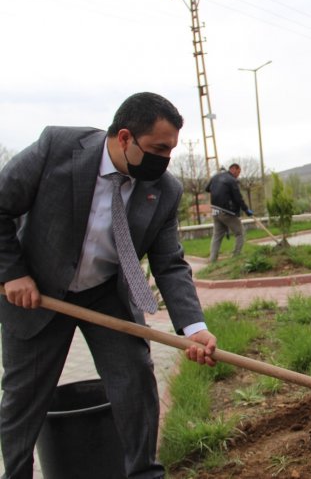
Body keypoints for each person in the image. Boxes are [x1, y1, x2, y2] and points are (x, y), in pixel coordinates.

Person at [0, 92, 218, 478]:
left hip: (106, 293)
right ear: (124, 138)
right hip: (38, 292)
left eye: (171, 150)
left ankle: (144, 473)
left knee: (136, 378)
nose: (165, 159)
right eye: (158, 148)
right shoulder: (58, 148)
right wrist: (12, 273)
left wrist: (194, 328)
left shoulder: (165, 190)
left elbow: (169, 263)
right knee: (23, 399)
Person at [206, 163, 254, 263]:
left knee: (217, 236)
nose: (238, 175)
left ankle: (212, 260)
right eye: (238, 172)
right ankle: (236, 256)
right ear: (233, 169)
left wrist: (218, 191)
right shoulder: (232, 180)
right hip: (226, 211)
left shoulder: (216, 176)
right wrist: (246, 210)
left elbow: (207, 189)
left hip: (215, 210)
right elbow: (238, 198)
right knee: (240, 233)